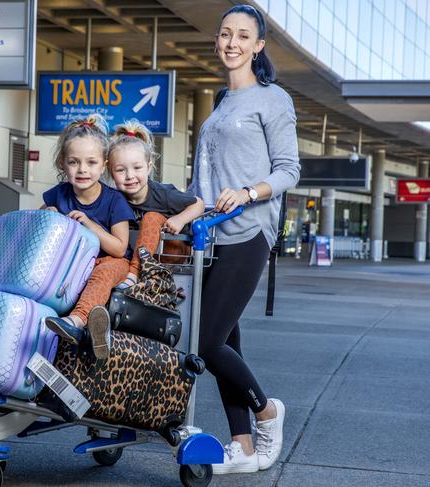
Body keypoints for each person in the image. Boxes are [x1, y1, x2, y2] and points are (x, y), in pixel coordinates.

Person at [188, 4, 300, 475]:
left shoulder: (273, 99)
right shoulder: (219, 103)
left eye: (242, 36)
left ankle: (266, 413)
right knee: (225, 340)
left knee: (206, 340)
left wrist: (249, 193)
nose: (231, 42)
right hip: (209, 237)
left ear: (258, 46)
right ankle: (243, 446)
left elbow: (289, 170)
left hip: (249, 231)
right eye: (225, 34)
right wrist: (183, 214)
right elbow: (203, 184)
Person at [42, 114, 134, 360]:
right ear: (63, 163)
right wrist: (47, 215)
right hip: (73, 265)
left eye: (91, 163)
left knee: (103, 271)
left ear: (103, 165)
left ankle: (78, 320)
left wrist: (91, 225)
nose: (83, 169)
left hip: (110, 262)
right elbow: (38, 230)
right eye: (74, 162)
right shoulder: (58, 196)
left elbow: (119, 248)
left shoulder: (114, 200)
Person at [107, 119, 205, 289]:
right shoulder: (114, 199)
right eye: (121, 170)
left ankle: (135, 273)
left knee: (151, 217)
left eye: (137, 168)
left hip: (171, 252)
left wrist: (180, 219)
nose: (130, 175)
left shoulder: (163, 194)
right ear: (111, 172)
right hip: (136, 257)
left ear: (149, 167)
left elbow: (199, 204)